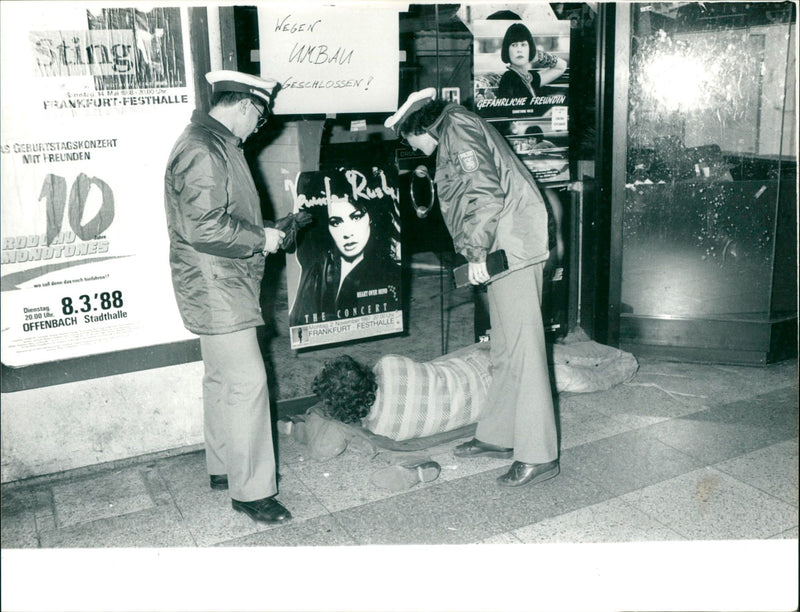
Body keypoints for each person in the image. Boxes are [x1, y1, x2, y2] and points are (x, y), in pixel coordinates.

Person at [383, 88, 559, 488]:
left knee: (525, 350)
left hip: (509, 247)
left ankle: (539, 454)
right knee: (505, 347)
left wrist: (476, 253)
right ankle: (499, 435)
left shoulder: (456, 130)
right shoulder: (457, 128)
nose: (416, 149)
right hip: (504, 245)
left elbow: (482, 195)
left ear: (419, 127)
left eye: (411, 141)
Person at [163, 69, 291, 524]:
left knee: (221, 379)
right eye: (258, 117)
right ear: (243, 105)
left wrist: (263, 234)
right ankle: (252, 492)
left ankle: (224, 469)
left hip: (216, 281)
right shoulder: (203, 148)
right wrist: (263, 239)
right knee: (247, 383)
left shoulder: (210, 142)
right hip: (219, 284)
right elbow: (205, 227)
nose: (258, 127)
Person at [289, 167, 401, 327]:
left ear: (371, 218)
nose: (347, 233)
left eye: (356, 217)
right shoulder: (319, 270)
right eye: (336, 222)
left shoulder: (387, 276)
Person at [495, 22, 567, 100]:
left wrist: (540, 55)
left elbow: (561, 66)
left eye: (523, 45)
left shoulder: (529, 78)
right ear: (507, 50)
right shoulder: (509, 78)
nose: (519, 50)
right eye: (514, 45)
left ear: (530, 48)